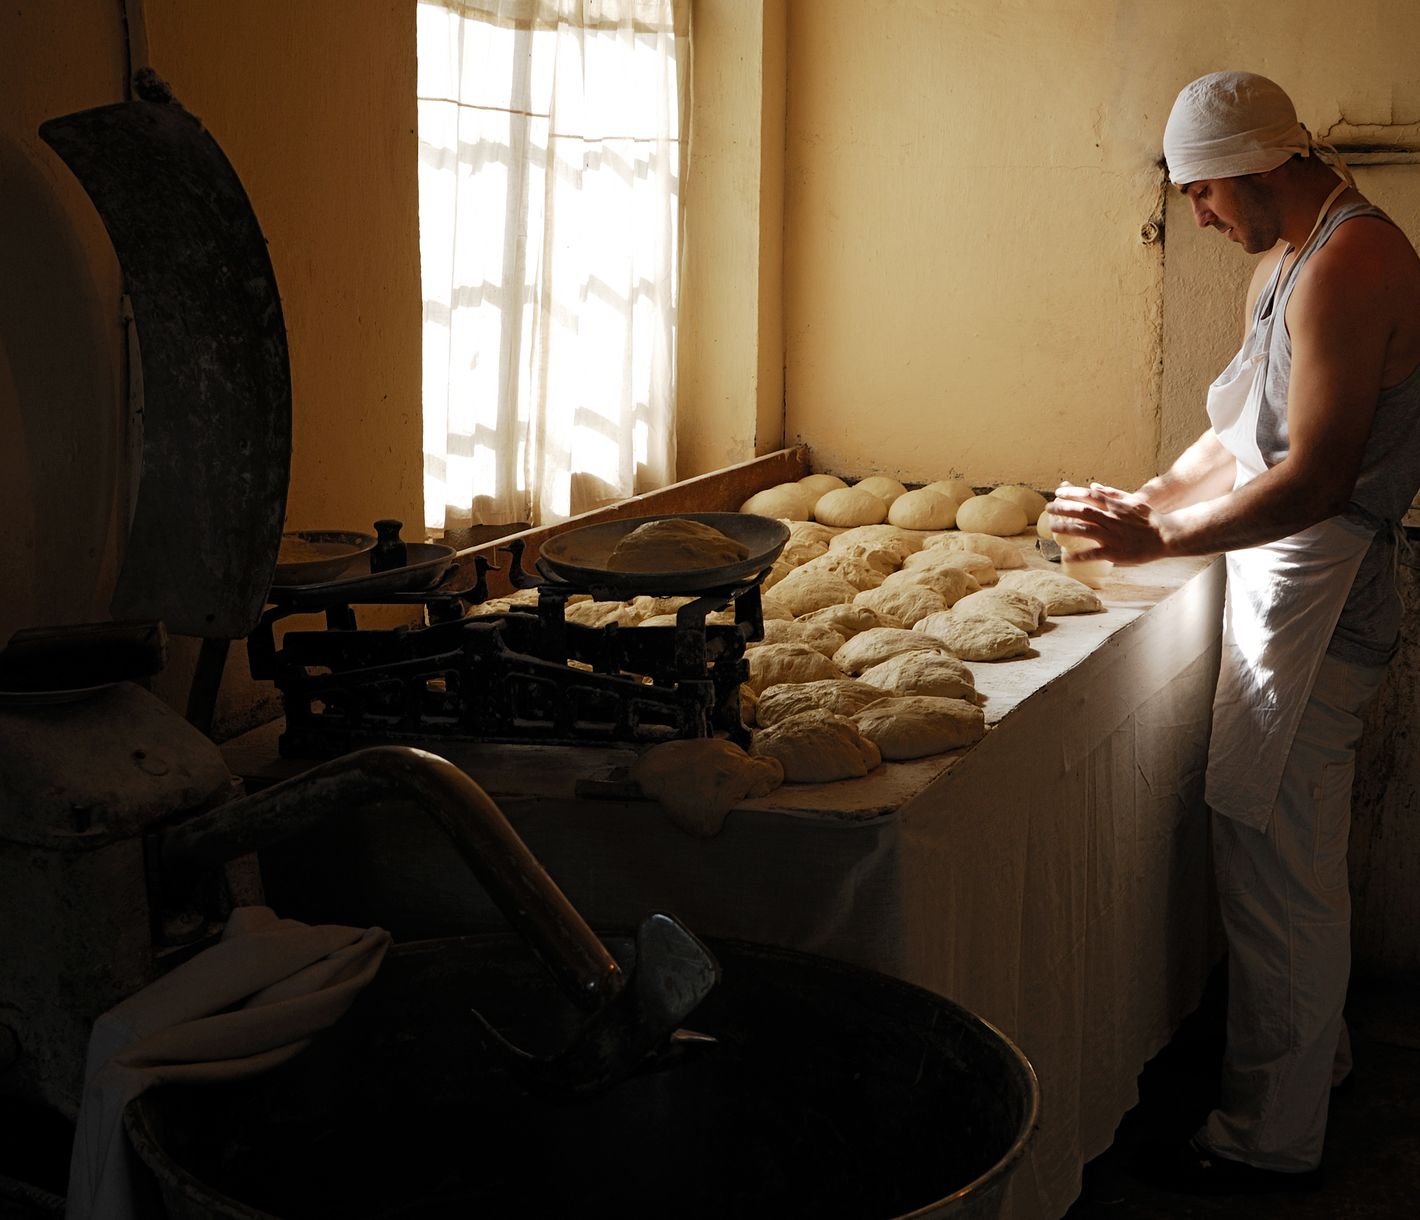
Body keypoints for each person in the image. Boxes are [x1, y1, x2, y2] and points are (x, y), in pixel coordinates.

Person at [1049, 70, 1420, 1193]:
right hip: (1286, 571)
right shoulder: (1287, 257)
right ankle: (1320, 1063)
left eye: (1205, 192)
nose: (1198, 216)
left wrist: (1157, 546)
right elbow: (1237, 436)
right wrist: (1144, 501)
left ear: (1260, 166)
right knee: (1279, 843)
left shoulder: (1352, 260)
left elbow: (1313, 478)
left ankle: (1270, 1136)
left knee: (1276, 857)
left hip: (1323, 576)